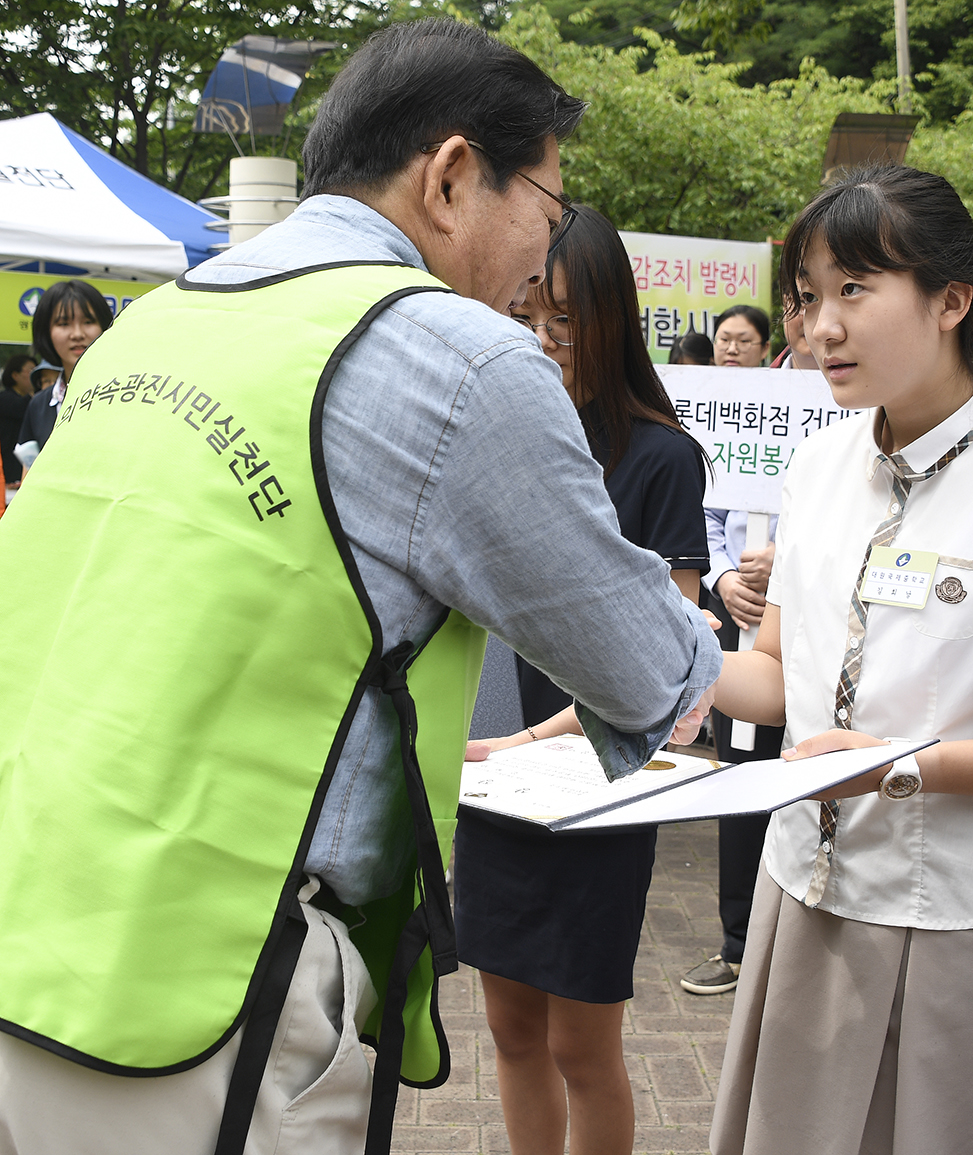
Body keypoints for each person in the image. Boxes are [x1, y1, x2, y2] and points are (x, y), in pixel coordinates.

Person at [0, 19, 723, 1155]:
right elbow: (648, 672)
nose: (547, 252)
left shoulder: (153, 331)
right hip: (208, 991)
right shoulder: (463, 359)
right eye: (548, 205)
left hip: (27, 915)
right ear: (450, 176)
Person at [706, 164, 973, 1155]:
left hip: (959, 908)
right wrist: (669, 662)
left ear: (952, 299)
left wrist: (902, 766)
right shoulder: (816, 465)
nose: (822, 326)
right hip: (806, 880)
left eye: (856, 289)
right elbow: (777, 679)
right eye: (809, 296)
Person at [452, 205, 710, 1155]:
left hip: (595, 783)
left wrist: (517, 745)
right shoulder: (496, 434)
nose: (543, 341)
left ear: (613, 316)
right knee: (511, 1030)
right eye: (524, 316)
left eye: (564, 319)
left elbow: (669, 671)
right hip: (492, 782)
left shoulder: (659, 458)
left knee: (581, 1042)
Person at [685, 299, 785, 997]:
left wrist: (793, 562)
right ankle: (738, 940)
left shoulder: (835, 418)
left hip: (809, 629)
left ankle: (788, 949)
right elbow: (712, 515)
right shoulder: (729, 418)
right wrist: (724, 580)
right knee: (741, 778)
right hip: (744, 619)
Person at [13, 281, 112, 475]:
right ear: (46, 331)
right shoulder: (39, 404)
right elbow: (29, 469)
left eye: (88, 322)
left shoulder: (126, 393)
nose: (77, 334)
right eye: (63, 323)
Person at [1, 353, 34, 500]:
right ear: (15, 375)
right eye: (31, 371)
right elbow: (21, 408)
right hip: (9, 474)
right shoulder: (5, 398)